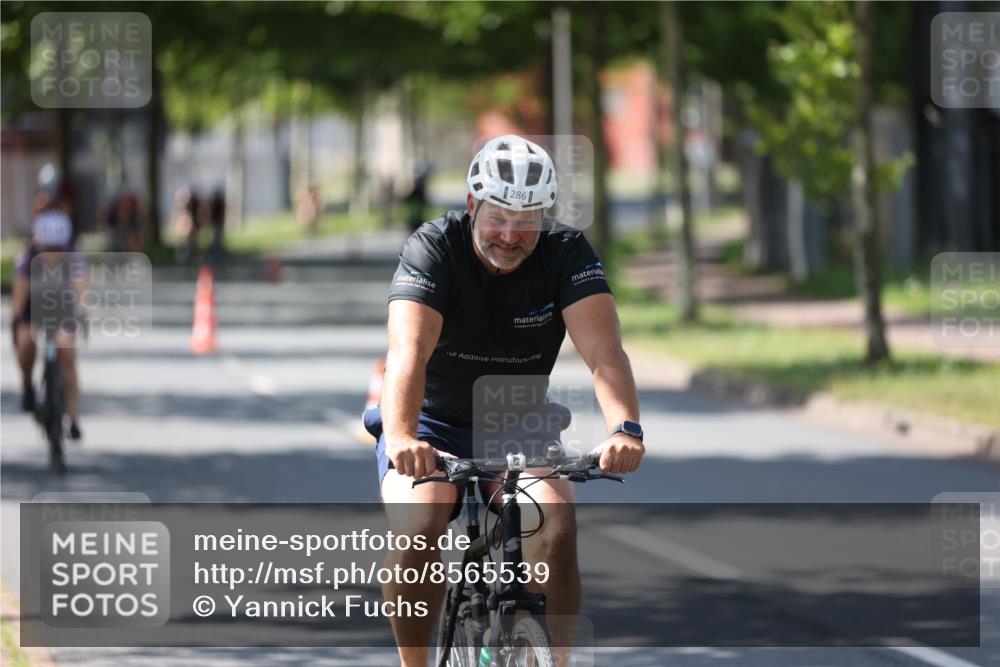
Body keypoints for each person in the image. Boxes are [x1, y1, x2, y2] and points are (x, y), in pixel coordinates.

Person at [363, 135, 644, 666]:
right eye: (498, 217)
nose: (511, 235)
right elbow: (408, 354)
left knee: (555, 520)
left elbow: (606, 355)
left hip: (518, 424)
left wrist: (625, 428)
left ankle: (553, 661)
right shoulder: (434, 248)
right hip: (430, 425)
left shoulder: (566, 254)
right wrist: (401, 436)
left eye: (527, 219)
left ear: (545, 216)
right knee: (420, 525)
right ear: (472, 206)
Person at [10, 208, 87, 440]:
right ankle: (27, 385)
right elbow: (20, 296)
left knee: (67, 354)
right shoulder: (27, 258)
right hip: (33, 305)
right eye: (48, 248)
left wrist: (83, 312)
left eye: (58, 248)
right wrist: (16, 320)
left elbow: (82, 288)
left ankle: (73, 419)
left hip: (62, 305)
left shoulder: (73, 258)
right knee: (26, 342)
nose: (53, 253)